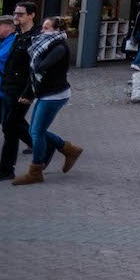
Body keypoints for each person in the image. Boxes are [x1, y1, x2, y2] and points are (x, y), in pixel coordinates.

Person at [12, 16, 84, 185]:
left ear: (56, 30)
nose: (42, 31)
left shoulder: (58, 47)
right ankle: (68, 149)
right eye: (42, 27)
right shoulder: (43, 45)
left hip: (55, 95)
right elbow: (34, 74)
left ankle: (36, 171)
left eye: (46, 28)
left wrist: (34, 59)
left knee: (36, 132)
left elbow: (39, 67)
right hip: (45, 93)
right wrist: (28, 93)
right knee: (35, 131)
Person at [0, 2, 37, 181]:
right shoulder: (18, 36)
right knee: (11, 126)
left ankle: (7, 168)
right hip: (7, 88)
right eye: (15, 13)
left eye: (20, 14)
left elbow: (34, 69)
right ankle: (53, 146)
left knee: (11, 126)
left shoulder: (34, 37)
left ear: (31, 15)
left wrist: (28, 93)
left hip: (19, 90)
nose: (16, 17)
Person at [0, 15, 15, 149]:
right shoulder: (0, 42)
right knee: (16, 123)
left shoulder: (13, 43)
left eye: (0, 25)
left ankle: (55, 145)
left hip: (2, 90)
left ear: (10, 27)